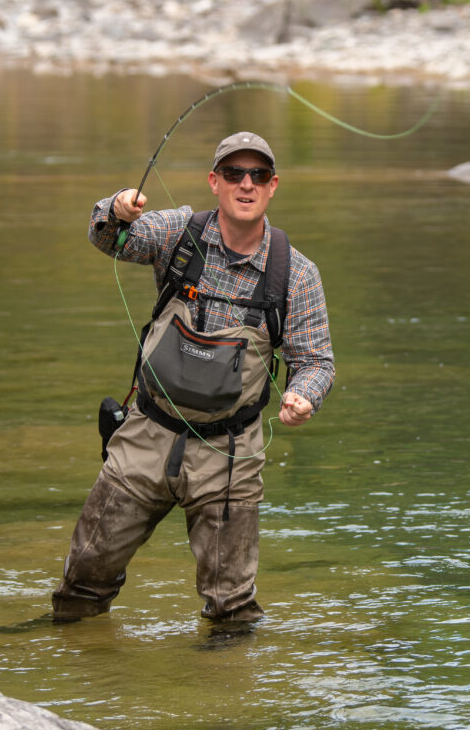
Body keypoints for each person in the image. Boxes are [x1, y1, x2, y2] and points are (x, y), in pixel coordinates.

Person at [51, 131, 334, 625]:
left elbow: (317, 363)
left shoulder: (296, 273)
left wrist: (302, 395)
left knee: (233, 610)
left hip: (231, 452)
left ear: (272, 187)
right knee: (82, 585)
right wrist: (117, 208)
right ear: (214, 181)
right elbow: (106, 238)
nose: (246, 184)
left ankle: (225, 694)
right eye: (233, 174)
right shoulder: (176, 233)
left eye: (258, 175)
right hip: (146, 434)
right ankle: (74, 663)